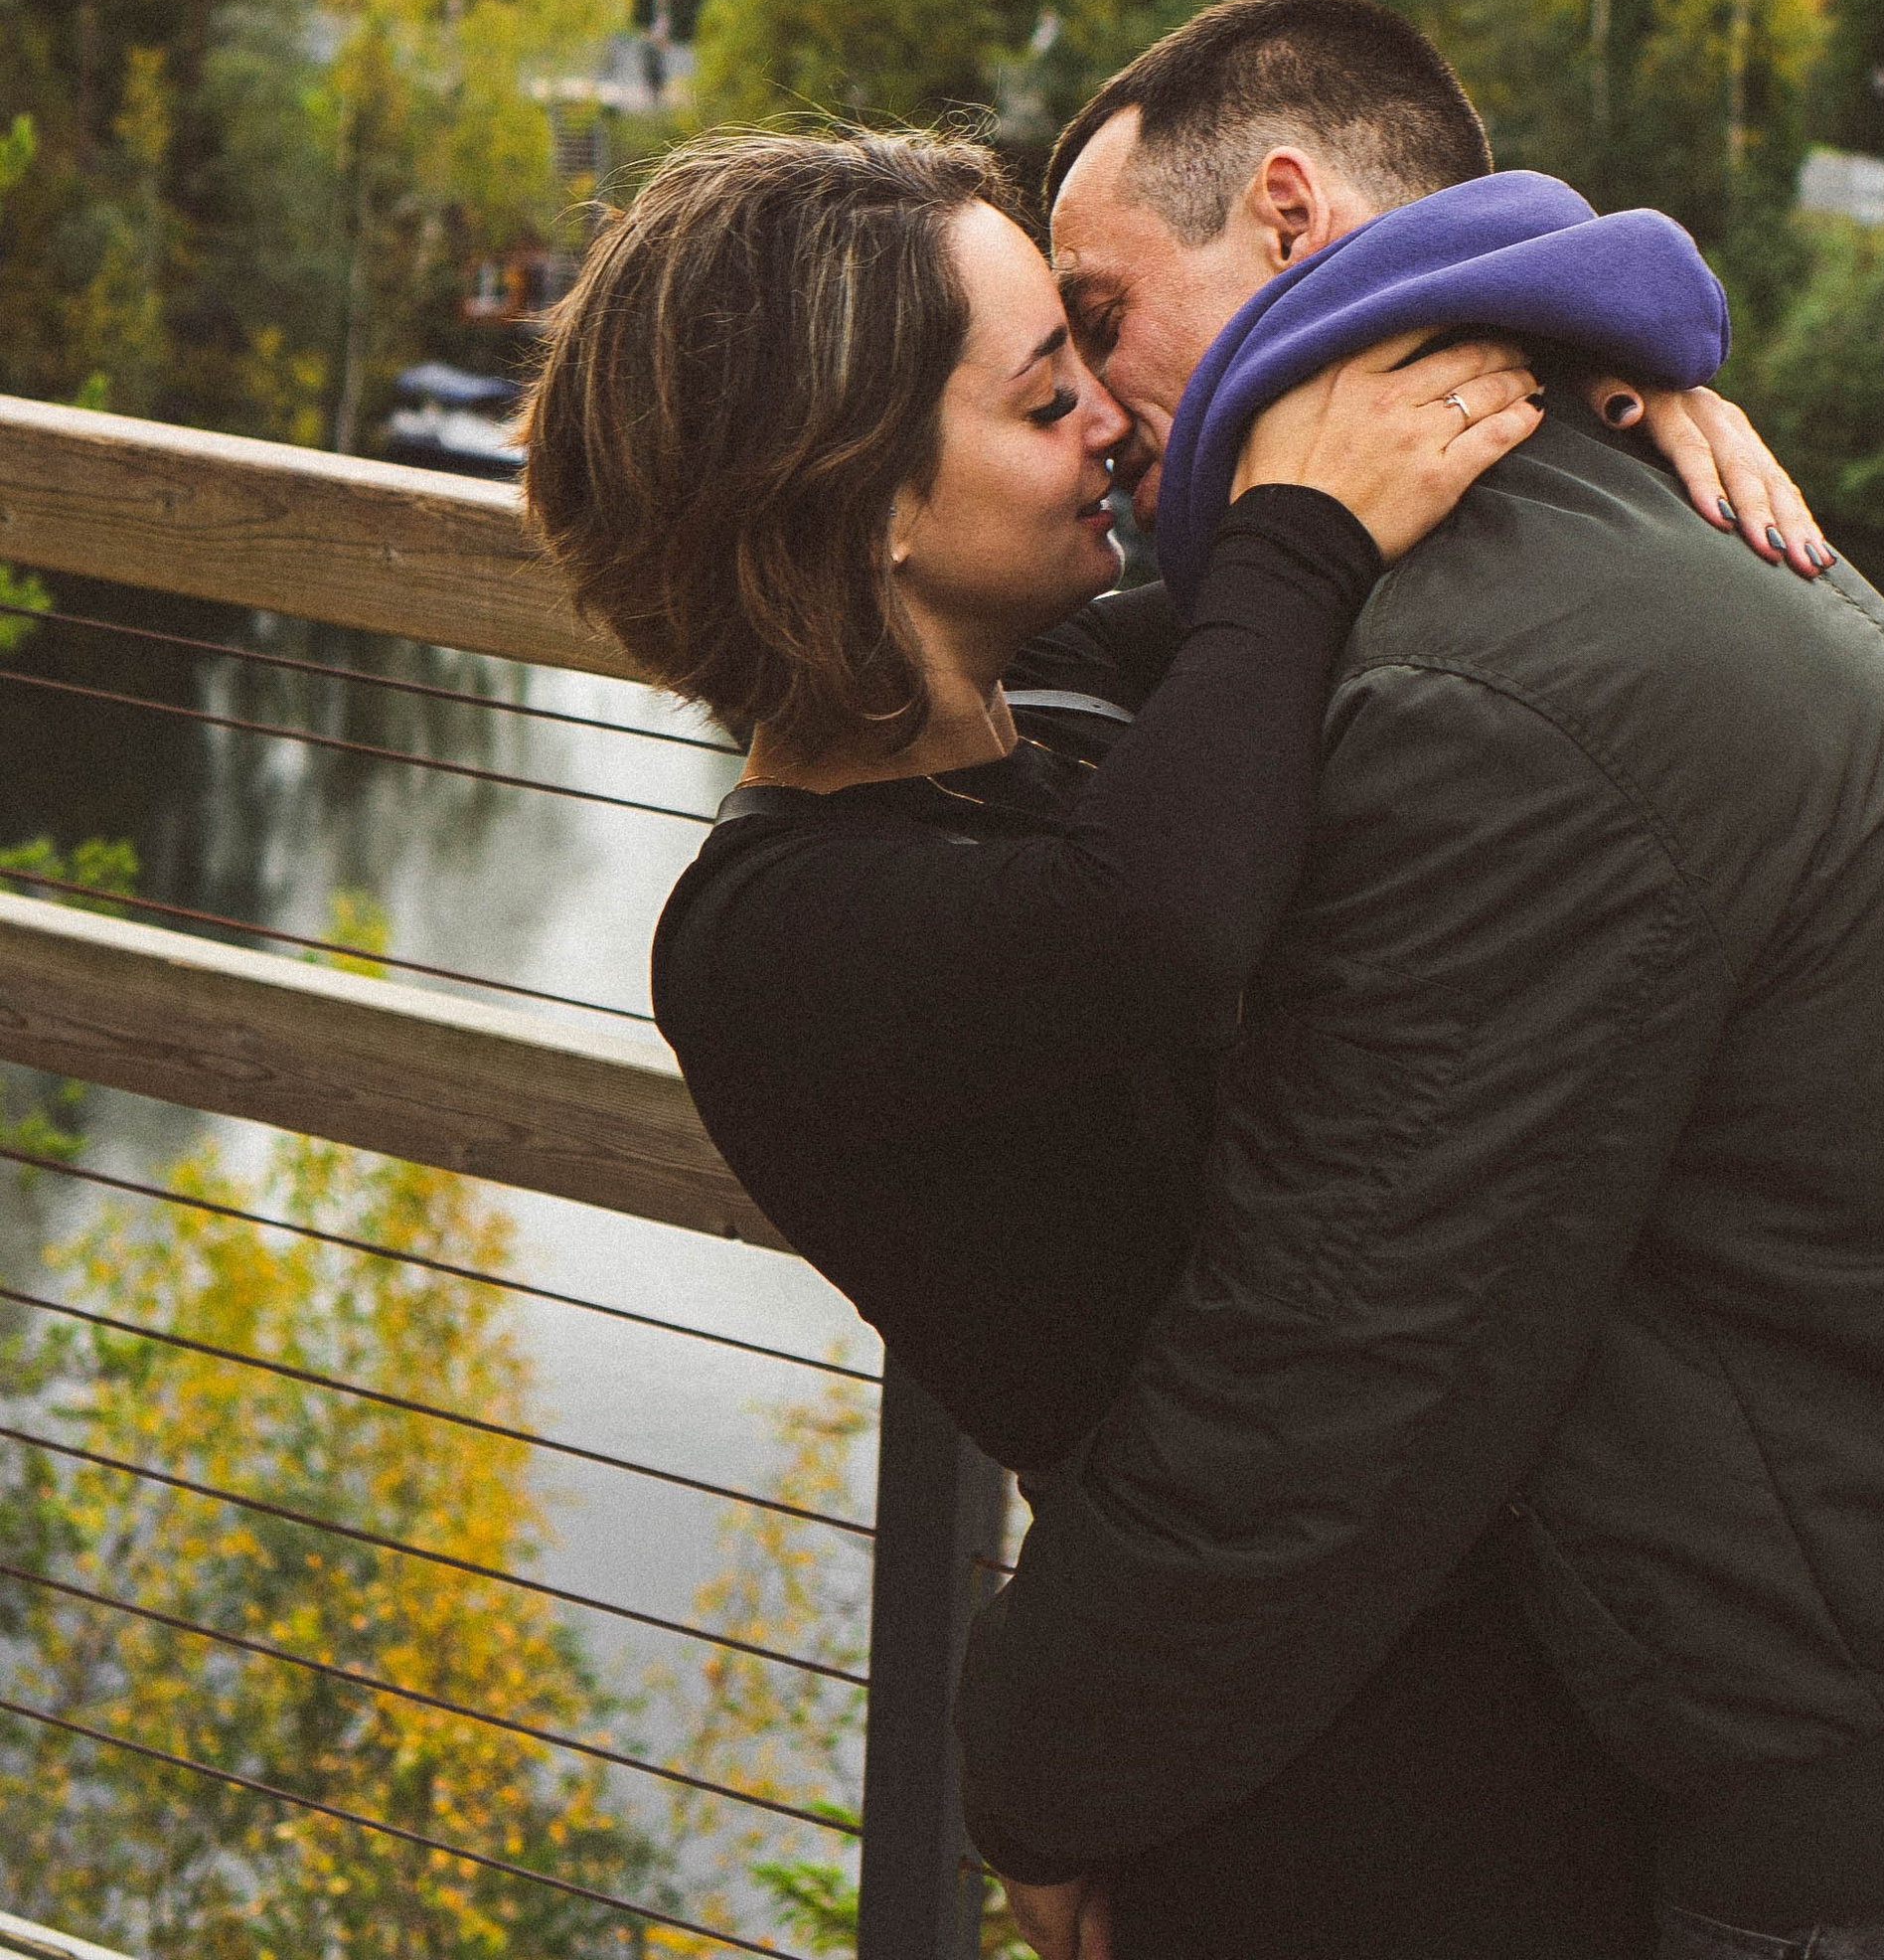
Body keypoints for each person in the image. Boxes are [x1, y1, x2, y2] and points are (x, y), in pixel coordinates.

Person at [954, 0, 1884, 1960]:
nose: (1089, 400)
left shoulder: (1480, 683)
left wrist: (1041, 1763)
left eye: (1100, 311)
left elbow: (1329, 1353)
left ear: (1290, 219)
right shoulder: (1603, 503)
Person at [520, 121, 1817, 1956]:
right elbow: (1157, 918)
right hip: (1282, 1801)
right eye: (1048, 397)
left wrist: (1625, 397)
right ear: (870, 505)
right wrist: (1294, 528)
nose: (1116, 428)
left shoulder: (1056, 711)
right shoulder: (771, 943)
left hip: (1434, 1684)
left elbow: (1533, 308)